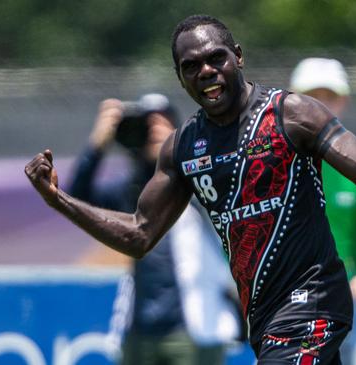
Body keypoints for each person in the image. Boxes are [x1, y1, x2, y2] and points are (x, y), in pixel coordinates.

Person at [25, 14, 356, 364]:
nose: (206, 71)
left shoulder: (293, 114)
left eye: (216, 58)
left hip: (316, 301)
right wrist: (57, 199)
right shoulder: (183, 147)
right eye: (191, 66)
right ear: (181, 78)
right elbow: (139, 233)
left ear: (239, 57)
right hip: (263, 319)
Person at [67, 93, 239, 365]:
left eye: (164, 122)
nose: (154, 131)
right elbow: (77, 200)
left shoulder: (198, 181)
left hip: (193, 329)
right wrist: (98, 145)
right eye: (147, 125)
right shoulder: (133, 191)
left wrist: (177, 148)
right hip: (139, 330)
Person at [290, 58, 356, 364]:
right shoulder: (275, 159)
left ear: (343, 101)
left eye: (330, 97)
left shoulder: (353, 160)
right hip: (287, 293)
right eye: (313, 95)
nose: (322, 104)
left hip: (340, 295)